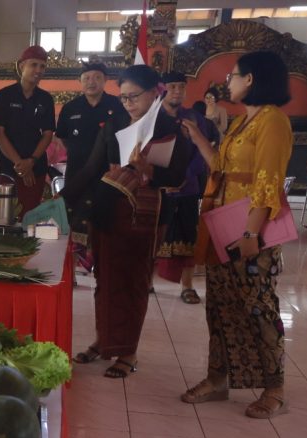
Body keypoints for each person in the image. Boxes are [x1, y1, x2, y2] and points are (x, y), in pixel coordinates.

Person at [180, 51, 293, 419]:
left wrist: (251, 232)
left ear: (252, 80)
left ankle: (274, 389)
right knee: (220, 305)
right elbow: (222, 171)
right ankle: (218, 378)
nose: (229, 82)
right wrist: (198, 138)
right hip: (222, 225)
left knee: (258, 308)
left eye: (234, 75)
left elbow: (267, 182)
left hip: (250, 229)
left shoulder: (272, 121)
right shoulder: (244, 121)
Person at [61, 65, 190, 378]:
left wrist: (148, 169)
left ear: (153, 93)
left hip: (143, 214)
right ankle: (103, 341)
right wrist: (62, 198)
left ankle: (127, 352)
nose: (128, 104)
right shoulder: (115, 122)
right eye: (124, 98)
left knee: (132, 282)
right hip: (107, 209)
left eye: (134, 97)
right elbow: (92, 166)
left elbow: (177, 176)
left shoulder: (168, 127)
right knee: (104, 280)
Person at [154, 71, 218, 304]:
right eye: (172, 87)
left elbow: (202, 151)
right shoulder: (152, 116)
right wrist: (163, 178)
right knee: (153, 235)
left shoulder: (193, 117)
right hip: (158, 187)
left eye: (181, 87)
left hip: (187, 186)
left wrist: (184, 176)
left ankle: (187, 286)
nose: (177, 91)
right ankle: (146, 283)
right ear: (162, 89)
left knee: (187, 235)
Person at [0, 45, 56, 217]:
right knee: (2, 218)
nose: (38, 70)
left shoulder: (46, 99)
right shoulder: (4, 96)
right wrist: (20, 164)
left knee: (29, 219)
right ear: (21, 66)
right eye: (34, 65)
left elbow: (48, 134)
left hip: (35, 169)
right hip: (7, 166)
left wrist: (31, 162)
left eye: (42, 66)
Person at [55, 62, 127, 181]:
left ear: (105, 79)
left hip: (109, 172)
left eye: (97, 77)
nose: (91, 82)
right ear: (80, 81)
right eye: (86, 78)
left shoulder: (118, 105)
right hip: (76, 170)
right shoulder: (70, 108)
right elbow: (63, 137)